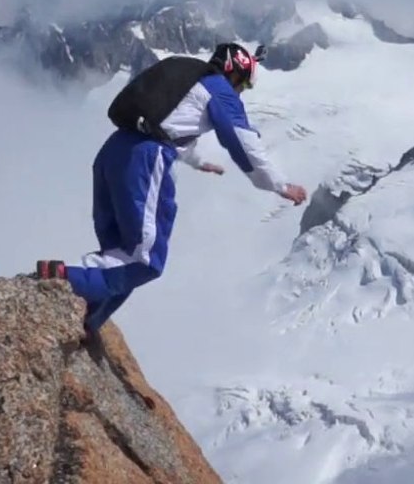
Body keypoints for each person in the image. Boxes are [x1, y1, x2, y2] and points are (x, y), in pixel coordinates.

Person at [34, 42, 307, 333]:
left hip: (113, 152)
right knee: (145, 259)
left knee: (119, 252)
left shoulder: (188, 77)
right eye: (243, 84)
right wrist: (279, 184)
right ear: (234, 72)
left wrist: (199, 161)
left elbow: (168, 123)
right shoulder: (219, 89)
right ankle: (64, 278)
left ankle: (88, 319)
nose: (240, 92)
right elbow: (241, 139)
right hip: (146, 160)